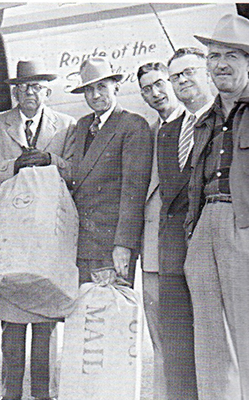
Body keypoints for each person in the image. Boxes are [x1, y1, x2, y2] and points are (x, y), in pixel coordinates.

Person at [0, 60, 76, 400]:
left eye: (36, 86)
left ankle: (44, 395)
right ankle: (11, 394)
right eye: (22, 87)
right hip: (9, 239)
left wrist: (53, 162)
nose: (28, 92)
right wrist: (14, 165)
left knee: (46, 320)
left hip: (47, 238)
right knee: (12, 323)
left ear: (48, 91)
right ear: (14, 91)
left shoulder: (66, 126)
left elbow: (76, 172)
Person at [185, 14, 249, 399]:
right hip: (205, 223)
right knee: (208, 338)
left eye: (232, 55)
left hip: (243, 225)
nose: (221, 64)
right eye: (213, 55)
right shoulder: (206, 119)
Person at [152, 47, 214, 400]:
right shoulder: (168, 130)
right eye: (176, 76)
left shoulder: (227, 118)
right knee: (177, 343)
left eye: (189, 72)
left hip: (214, 245)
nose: (182, 81)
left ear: (206, 72)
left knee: (218, 340)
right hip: (174, 250)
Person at [69, 57, 153, 285]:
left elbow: (133, 192)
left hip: (110, 246)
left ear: (116, 86)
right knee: (84, 314)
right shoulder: (83, 125)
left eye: (101, 87)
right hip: (81, 243)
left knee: (111, 314)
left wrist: (124, 245)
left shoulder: (133, 126)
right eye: (88, 89)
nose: (95, 95)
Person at [137, 61, 184, 400]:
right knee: (162, 339)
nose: (154, 93)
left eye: (159, 84)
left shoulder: (201, 124)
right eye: (146, 89)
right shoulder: (149, 134)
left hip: (195, 250)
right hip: (155, 254)